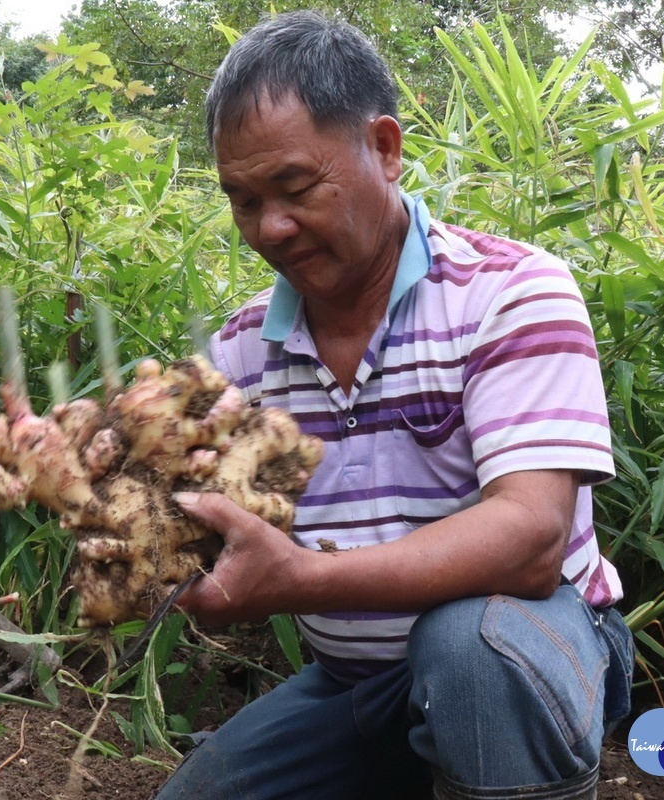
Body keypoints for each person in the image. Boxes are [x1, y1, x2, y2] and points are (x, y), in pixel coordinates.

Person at [157, 10, 633, 800]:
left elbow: (531, 540)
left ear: (384, 147)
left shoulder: (510, 292)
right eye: (242, 200)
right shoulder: (243, 350)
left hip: (529, 654)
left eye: (295, 187)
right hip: (356, 683)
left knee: (470, 651)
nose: (270, 227)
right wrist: (78, 470)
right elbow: (185, 506)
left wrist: (301, 580)